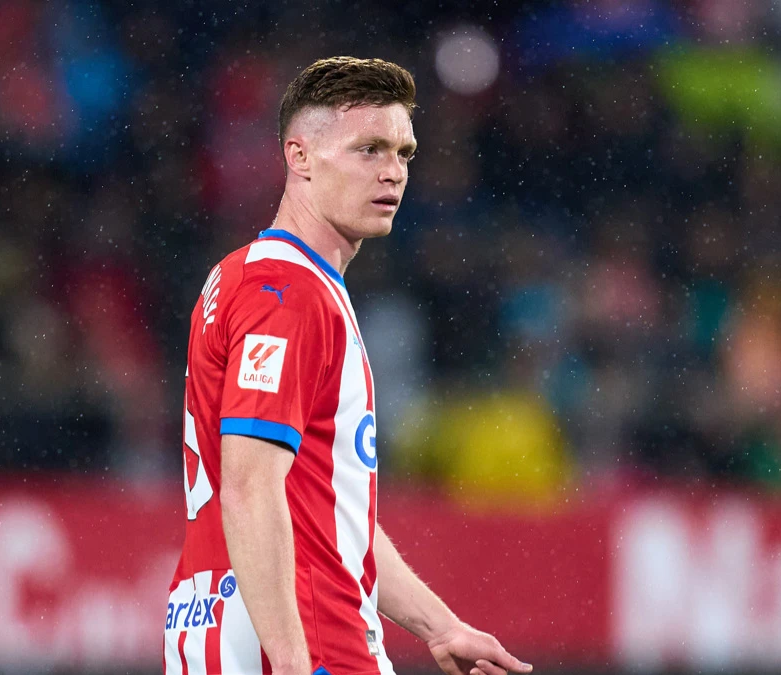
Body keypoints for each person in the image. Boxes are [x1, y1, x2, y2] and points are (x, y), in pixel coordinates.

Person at [165, 57, 533, 675]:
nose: (393, 172)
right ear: (300, 156)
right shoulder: (288, 294)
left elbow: (330, 518)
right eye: (368, 150)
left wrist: (441, 626)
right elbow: (251, 488)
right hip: (309, 638)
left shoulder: (244, 275)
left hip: (214, 623)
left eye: (403, 153)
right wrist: (292, 663)